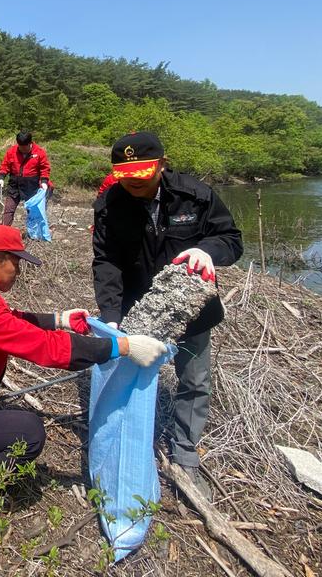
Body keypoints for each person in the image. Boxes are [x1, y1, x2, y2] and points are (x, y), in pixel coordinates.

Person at [0, 224, 167, 537]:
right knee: (29, 433)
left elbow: (10, 321)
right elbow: (46, 348)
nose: (19, 270)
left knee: (13, 425)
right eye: (15, 261)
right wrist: (123, 347)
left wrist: (59, 320)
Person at [92, 132, 243, 500]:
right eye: (126, 175)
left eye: (142, 174)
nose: (133, 182)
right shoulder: (110, 204)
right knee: (130, 378)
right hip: (137, 310)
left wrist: (208, 251)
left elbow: (231, 239)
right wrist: (110, 315)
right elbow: (106, 261)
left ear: (162, 164)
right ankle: (130, 444)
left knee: (194, 379)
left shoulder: (196, 195)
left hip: (189, 307)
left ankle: (186, 454)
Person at [0, 131, 50, 227]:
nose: (23, 149)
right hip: (14, 184)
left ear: (30, 143)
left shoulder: (39, 152)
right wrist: (1, 178)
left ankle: (33, 232)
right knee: (8, 210)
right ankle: (5, 230)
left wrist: (44, 181)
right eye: (20, 147)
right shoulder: (12, 151)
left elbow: (44, 168)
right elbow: (5, 165)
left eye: (25, 147)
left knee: (33, 211)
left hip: (32, 185)